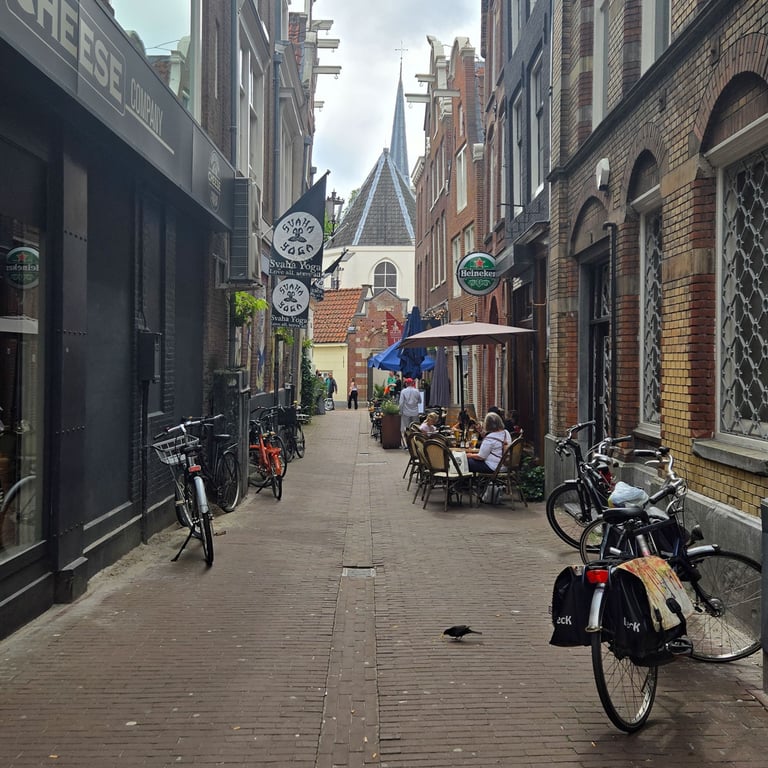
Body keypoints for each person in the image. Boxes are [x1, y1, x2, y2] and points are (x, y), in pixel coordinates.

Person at [398, 377, 421, 444]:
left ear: (406, 384)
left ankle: (407, 443)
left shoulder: (403, 391)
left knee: (406, 428)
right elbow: (420, 401)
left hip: (406, 412)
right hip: (415, 412)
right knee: (415, 428)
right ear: (412, 383)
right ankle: (415, 443)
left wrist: (400, 411)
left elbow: (401, 403)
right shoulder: (417, 391)